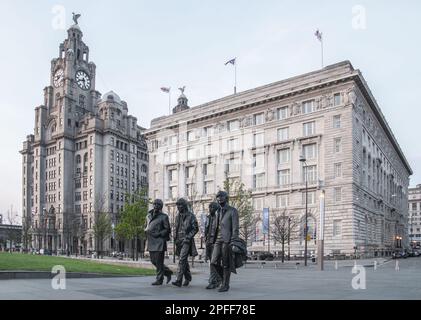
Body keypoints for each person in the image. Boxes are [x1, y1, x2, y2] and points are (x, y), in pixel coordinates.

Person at [210, 191, 239, 292]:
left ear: (226, 198)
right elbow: (215, 227)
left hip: (227, 240)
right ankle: (223, 279)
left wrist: (234, 241)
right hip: (217, 240)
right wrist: (211, 239)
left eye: (221, 197)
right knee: (213, 261)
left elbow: (235, 228)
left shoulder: (232, 211)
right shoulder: (217, 212)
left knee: (226, 263)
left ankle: (226, 284)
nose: (219, 199)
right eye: (217, 197)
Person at [172, 198, 199, 287]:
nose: (178, 207)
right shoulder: (177, 217)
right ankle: (188, 277)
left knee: (182, 259)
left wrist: (188, 237)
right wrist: (174, 239)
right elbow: (176, 228)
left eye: (180, 205)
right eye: (177, 205)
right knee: (184, 261)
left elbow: (195, 228)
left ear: (184, 205)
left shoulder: (191, 216)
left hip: (186, 241)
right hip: (178, 241)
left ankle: (178, 280)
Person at [145, 199, 173, 285]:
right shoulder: (149, 215)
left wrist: (159, 234)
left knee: (159, 261)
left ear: (161, 207)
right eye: (155, 204)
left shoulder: (164, 216)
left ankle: (159, 279)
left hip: (159, 241)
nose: (156, 206)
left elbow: (167, 229)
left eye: (158, 204)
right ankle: (168, 272)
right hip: (151, 241)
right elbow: (146, 225)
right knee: (153, 261)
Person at [205, 202, 222, 289]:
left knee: (213, 262)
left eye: (212, 207)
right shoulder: (208, 218)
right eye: (209, 207)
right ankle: (219, 279)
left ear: (215, 209)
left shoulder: (219, 218)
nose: (210, 209)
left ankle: (213, 281)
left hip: (216, 242)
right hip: (208, 242)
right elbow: (206, 229)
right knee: (212, 262)